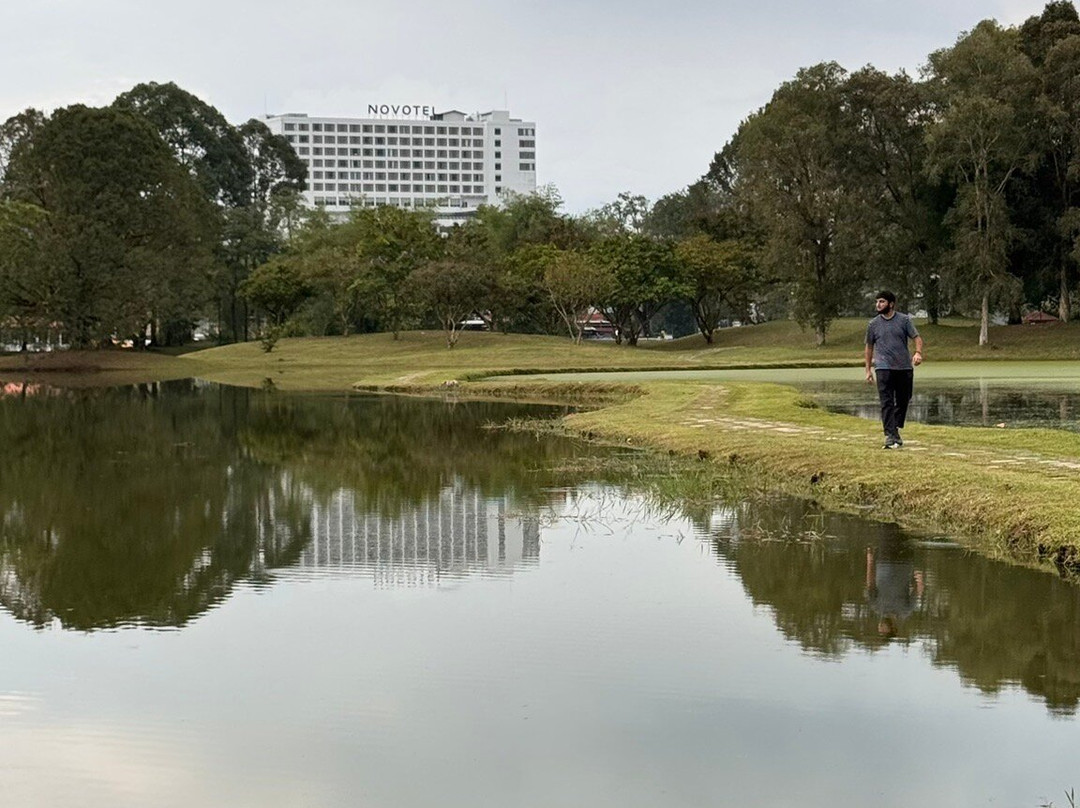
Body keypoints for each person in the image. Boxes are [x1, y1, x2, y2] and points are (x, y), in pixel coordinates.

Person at [864, 290, 924, 449]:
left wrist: (918, 353)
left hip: (903, 367)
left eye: (882, 302)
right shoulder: (873, 324)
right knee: (887, 401)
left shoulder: (904, 320)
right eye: (877, 302)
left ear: (891, 304)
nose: (878, 305)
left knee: (904, 399)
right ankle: (890, 435)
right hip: (883, 367)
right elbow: (869, 347)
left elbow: (917, 338)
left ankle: (895, 428)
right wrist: (868, 369)